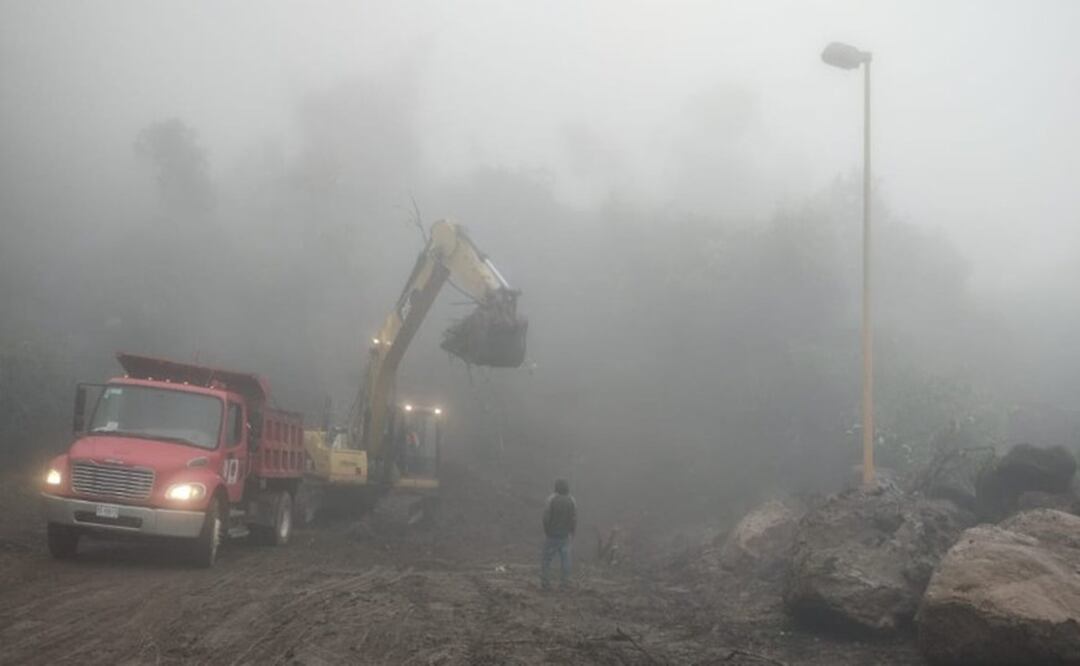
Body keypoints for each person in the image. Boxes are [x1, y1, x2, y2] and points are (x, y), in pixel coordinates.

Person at [541, 478, 577, 590]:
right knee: (565, 560)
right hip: (565, 536)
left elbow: (546, 517)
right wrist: (572, 531)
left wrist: (547, 530)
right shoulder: (571, 500)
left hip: (552, 535)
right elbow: (574, 518)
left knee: (546, 560)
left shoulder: (551, 499)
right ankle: (565, 584)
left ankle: (546, 583)